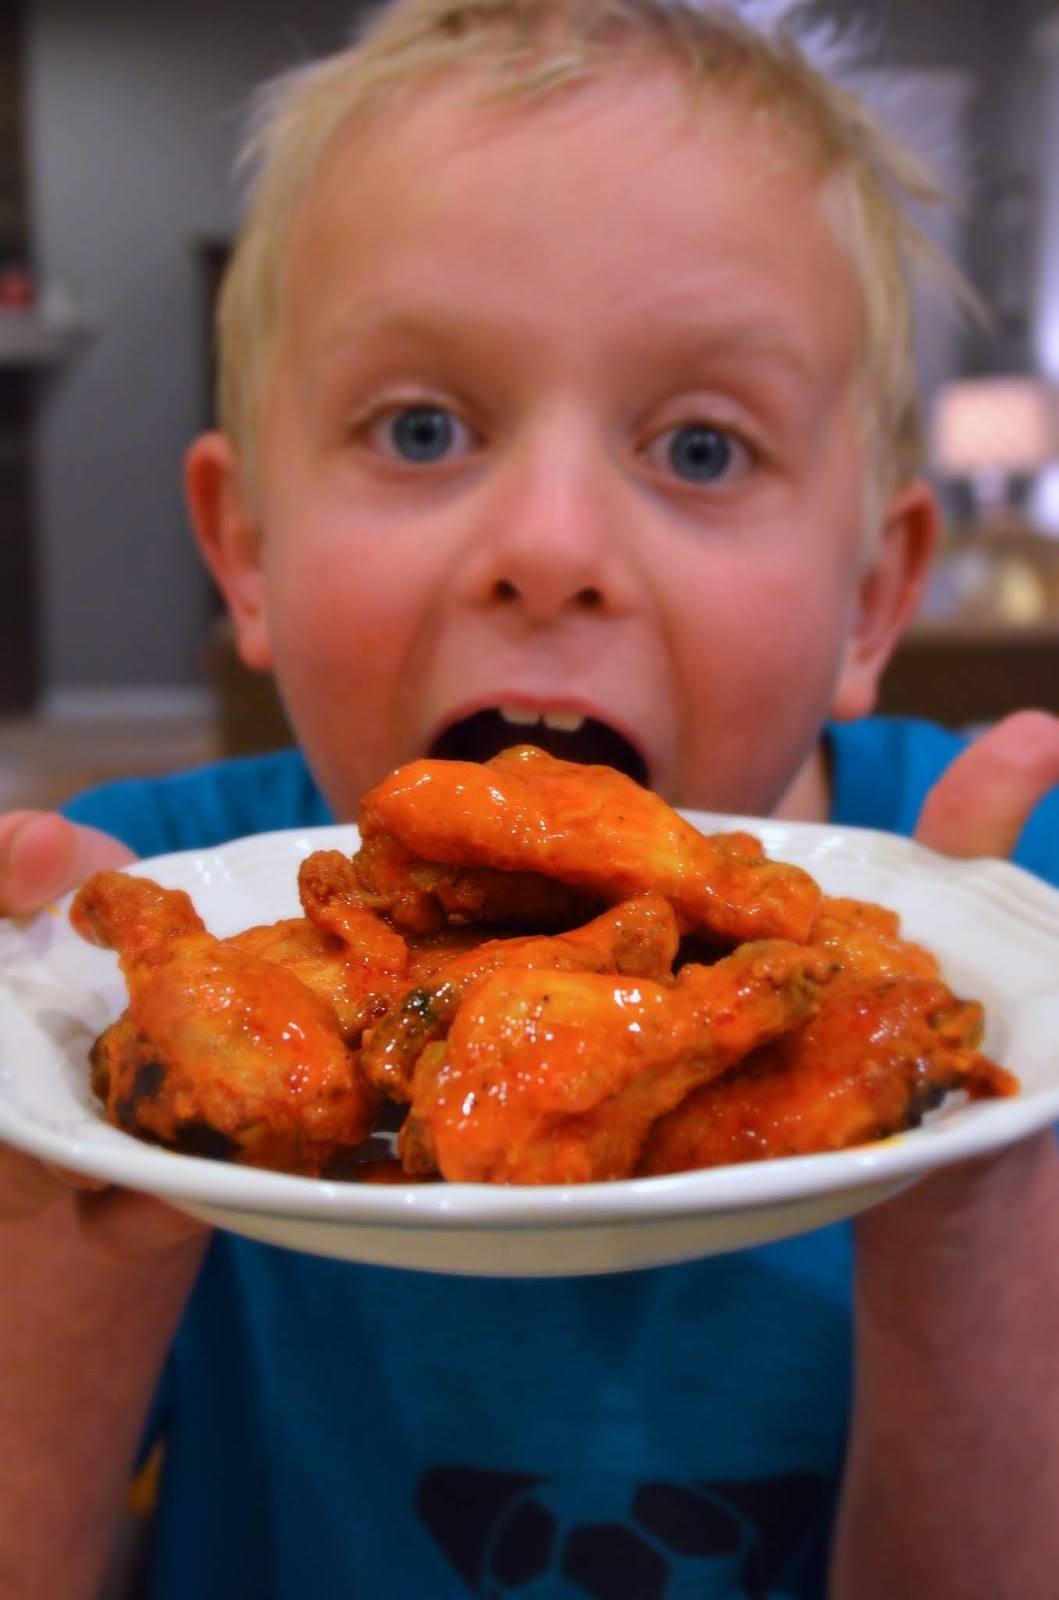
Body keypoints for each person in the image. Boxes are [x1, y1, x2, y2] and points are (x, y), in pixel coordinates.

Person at [2, 2, 1057, 1596]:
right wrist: (68, 1209)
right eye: (422, 428)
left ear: (871, 599)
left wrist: (963, 1175)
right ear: (248, 553)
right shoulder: (112, 935)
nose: (551, 543)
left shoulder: (1019, 959)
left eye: (701, 447)